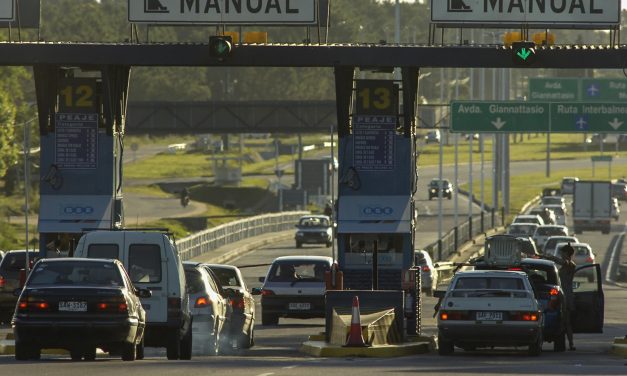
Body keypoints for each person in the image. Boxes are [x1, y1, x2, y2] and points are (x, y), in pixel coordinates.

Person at [546, 242, 577, 351]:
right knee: (563, 320)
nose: (561, 255)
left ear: (567, 253)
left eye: (562, 253)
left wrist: (549, 257)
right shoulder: (567, 264)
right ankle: (566, 342)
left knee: (566, 321)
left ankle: (571, 344)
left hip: (567, 296)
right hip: (561, 294)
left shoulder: (570, 264)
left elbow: (563, 262)